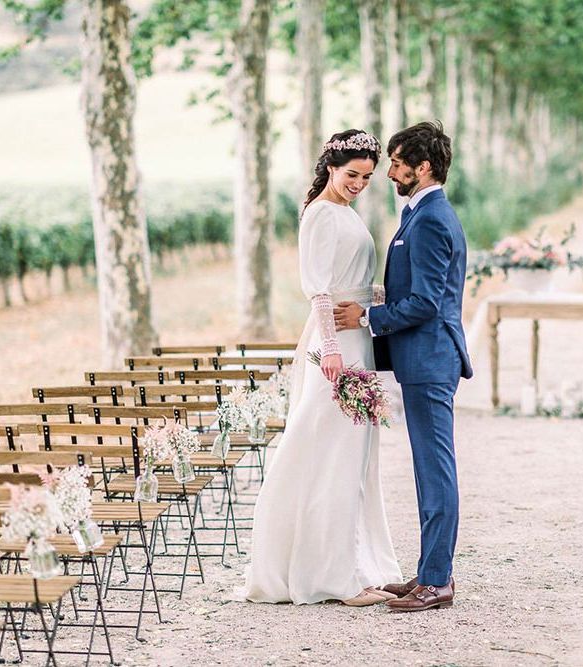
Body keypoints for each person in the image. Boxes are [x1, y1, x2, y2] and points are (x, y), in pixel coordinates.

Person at [241, 129, 402, 606]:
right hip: (336, 346)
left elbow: (353, 285)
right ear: (331, 167)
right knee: (331, 452)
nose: (359, 183)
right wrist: (330, 349)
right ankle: (336, 576)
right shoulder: (319, 214)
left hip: (359, 338)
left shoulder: (346, 213)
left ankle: (359, 562)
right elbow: (320, 291)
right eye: (352, 174)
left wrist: (386, 303)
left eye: (367, 177)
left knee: (353, 456)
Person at [334, 121, 473, 612]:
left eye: (396, 164)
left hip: (431, 359)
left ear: (424, 167)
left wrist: (369, 317)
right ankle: (429, 572)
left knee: (435, 470)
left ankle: (438, 580)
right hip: (421, 359)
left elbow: (427, 303)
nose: (389, 173)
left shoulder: (432, 218)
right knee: (425, 469)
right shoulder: (420, 213)